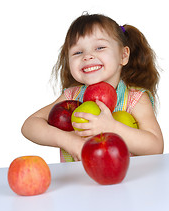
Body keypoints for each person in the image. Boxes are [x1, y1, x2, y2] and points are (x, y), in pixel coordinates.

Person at [21, 13, 164, 162]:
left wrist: (112, 127)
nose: (87, 56)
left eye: (100, 47)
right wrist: (67, 140)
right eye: (78, 52)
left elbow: (155, 147)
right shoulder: (72, 97)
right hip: (78, 183)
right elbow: (29, 126)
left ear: (123, 55)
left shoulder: (135, 99)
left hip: (123, 182)